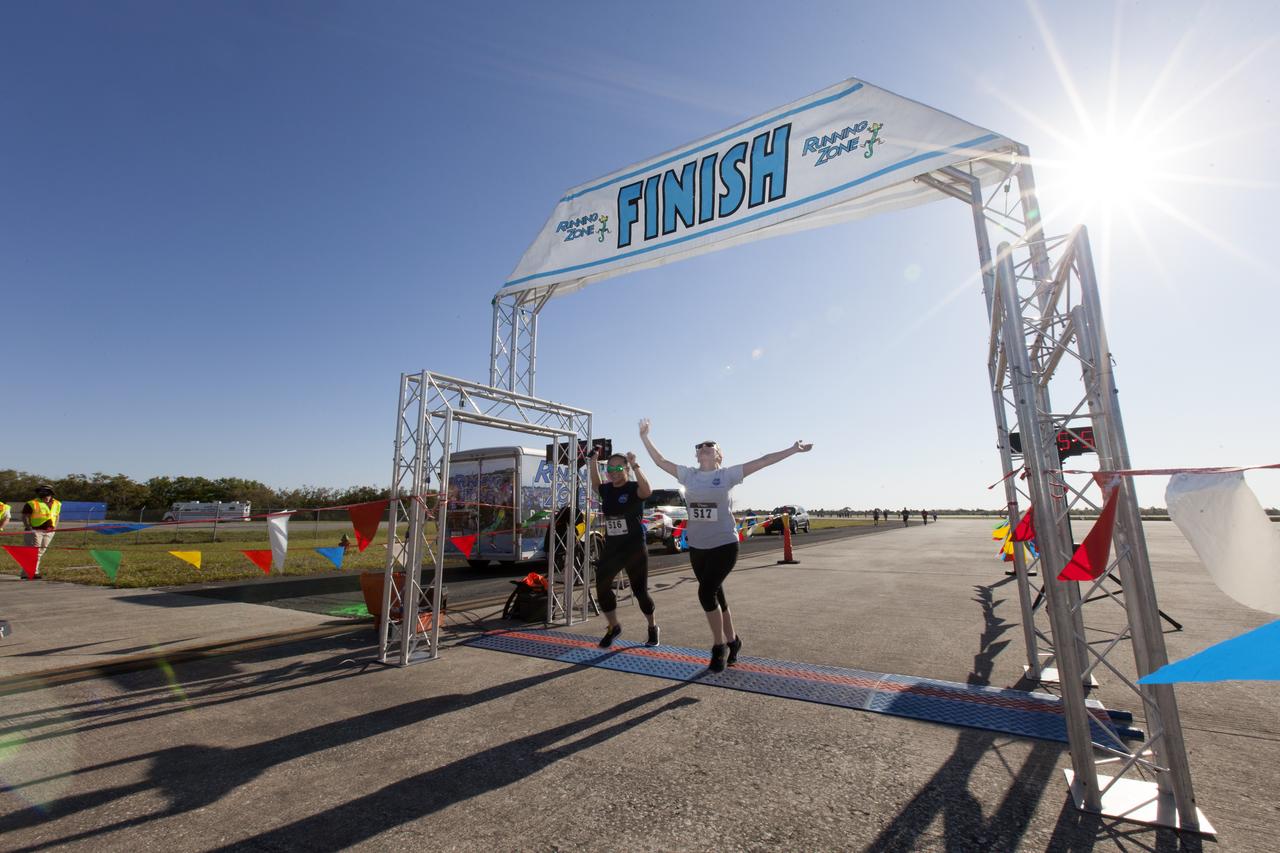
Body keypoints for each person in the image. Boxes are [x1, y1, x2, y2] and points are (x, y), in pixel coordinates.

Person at [639, 418, 812, 672]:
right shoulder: (689, 475)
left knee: (705, 593)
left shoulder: (727, 475)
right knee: (717, 594)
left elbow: (763, 461)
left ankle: (718, 647)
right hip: (698, 547)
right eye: (700, 446)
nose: (704, 447)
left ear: (718, 454)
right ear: (697, 455)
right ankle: (734, 641)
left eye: (710, 445)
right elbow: (660, 461)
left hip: (724, 545)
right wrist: (645, 437)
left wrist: (792, 449)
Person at [587, 447, 659, 648]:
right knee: (601, 586)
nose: (614, 471)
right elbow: (595, 483)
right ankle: (614, 626)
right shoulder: (607, 489)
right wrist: (593, 461)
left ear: (626, 469)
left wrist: (635, 464)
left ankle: (652, 626)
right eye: (610, 468)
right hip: (613, 548)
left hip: (634, 548)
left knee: (640, 592)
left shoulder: (634, 488)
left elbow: (647, 491)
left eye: (619, 467)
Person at [21, 485, 61, 579]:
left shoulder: (57, 503)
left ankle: (25, 573)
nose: (44, 496)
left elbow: (57, 515)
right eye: (42, 493)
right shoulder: (32, 503)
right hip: (35, 530)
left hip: (49, 531)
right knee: (34, 551)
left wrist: (55, 527)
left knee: (40, 552)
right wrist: (29, 528)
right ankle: (33, 572)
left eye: (46, 493)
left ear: (51, 494)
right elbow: (25, 516)